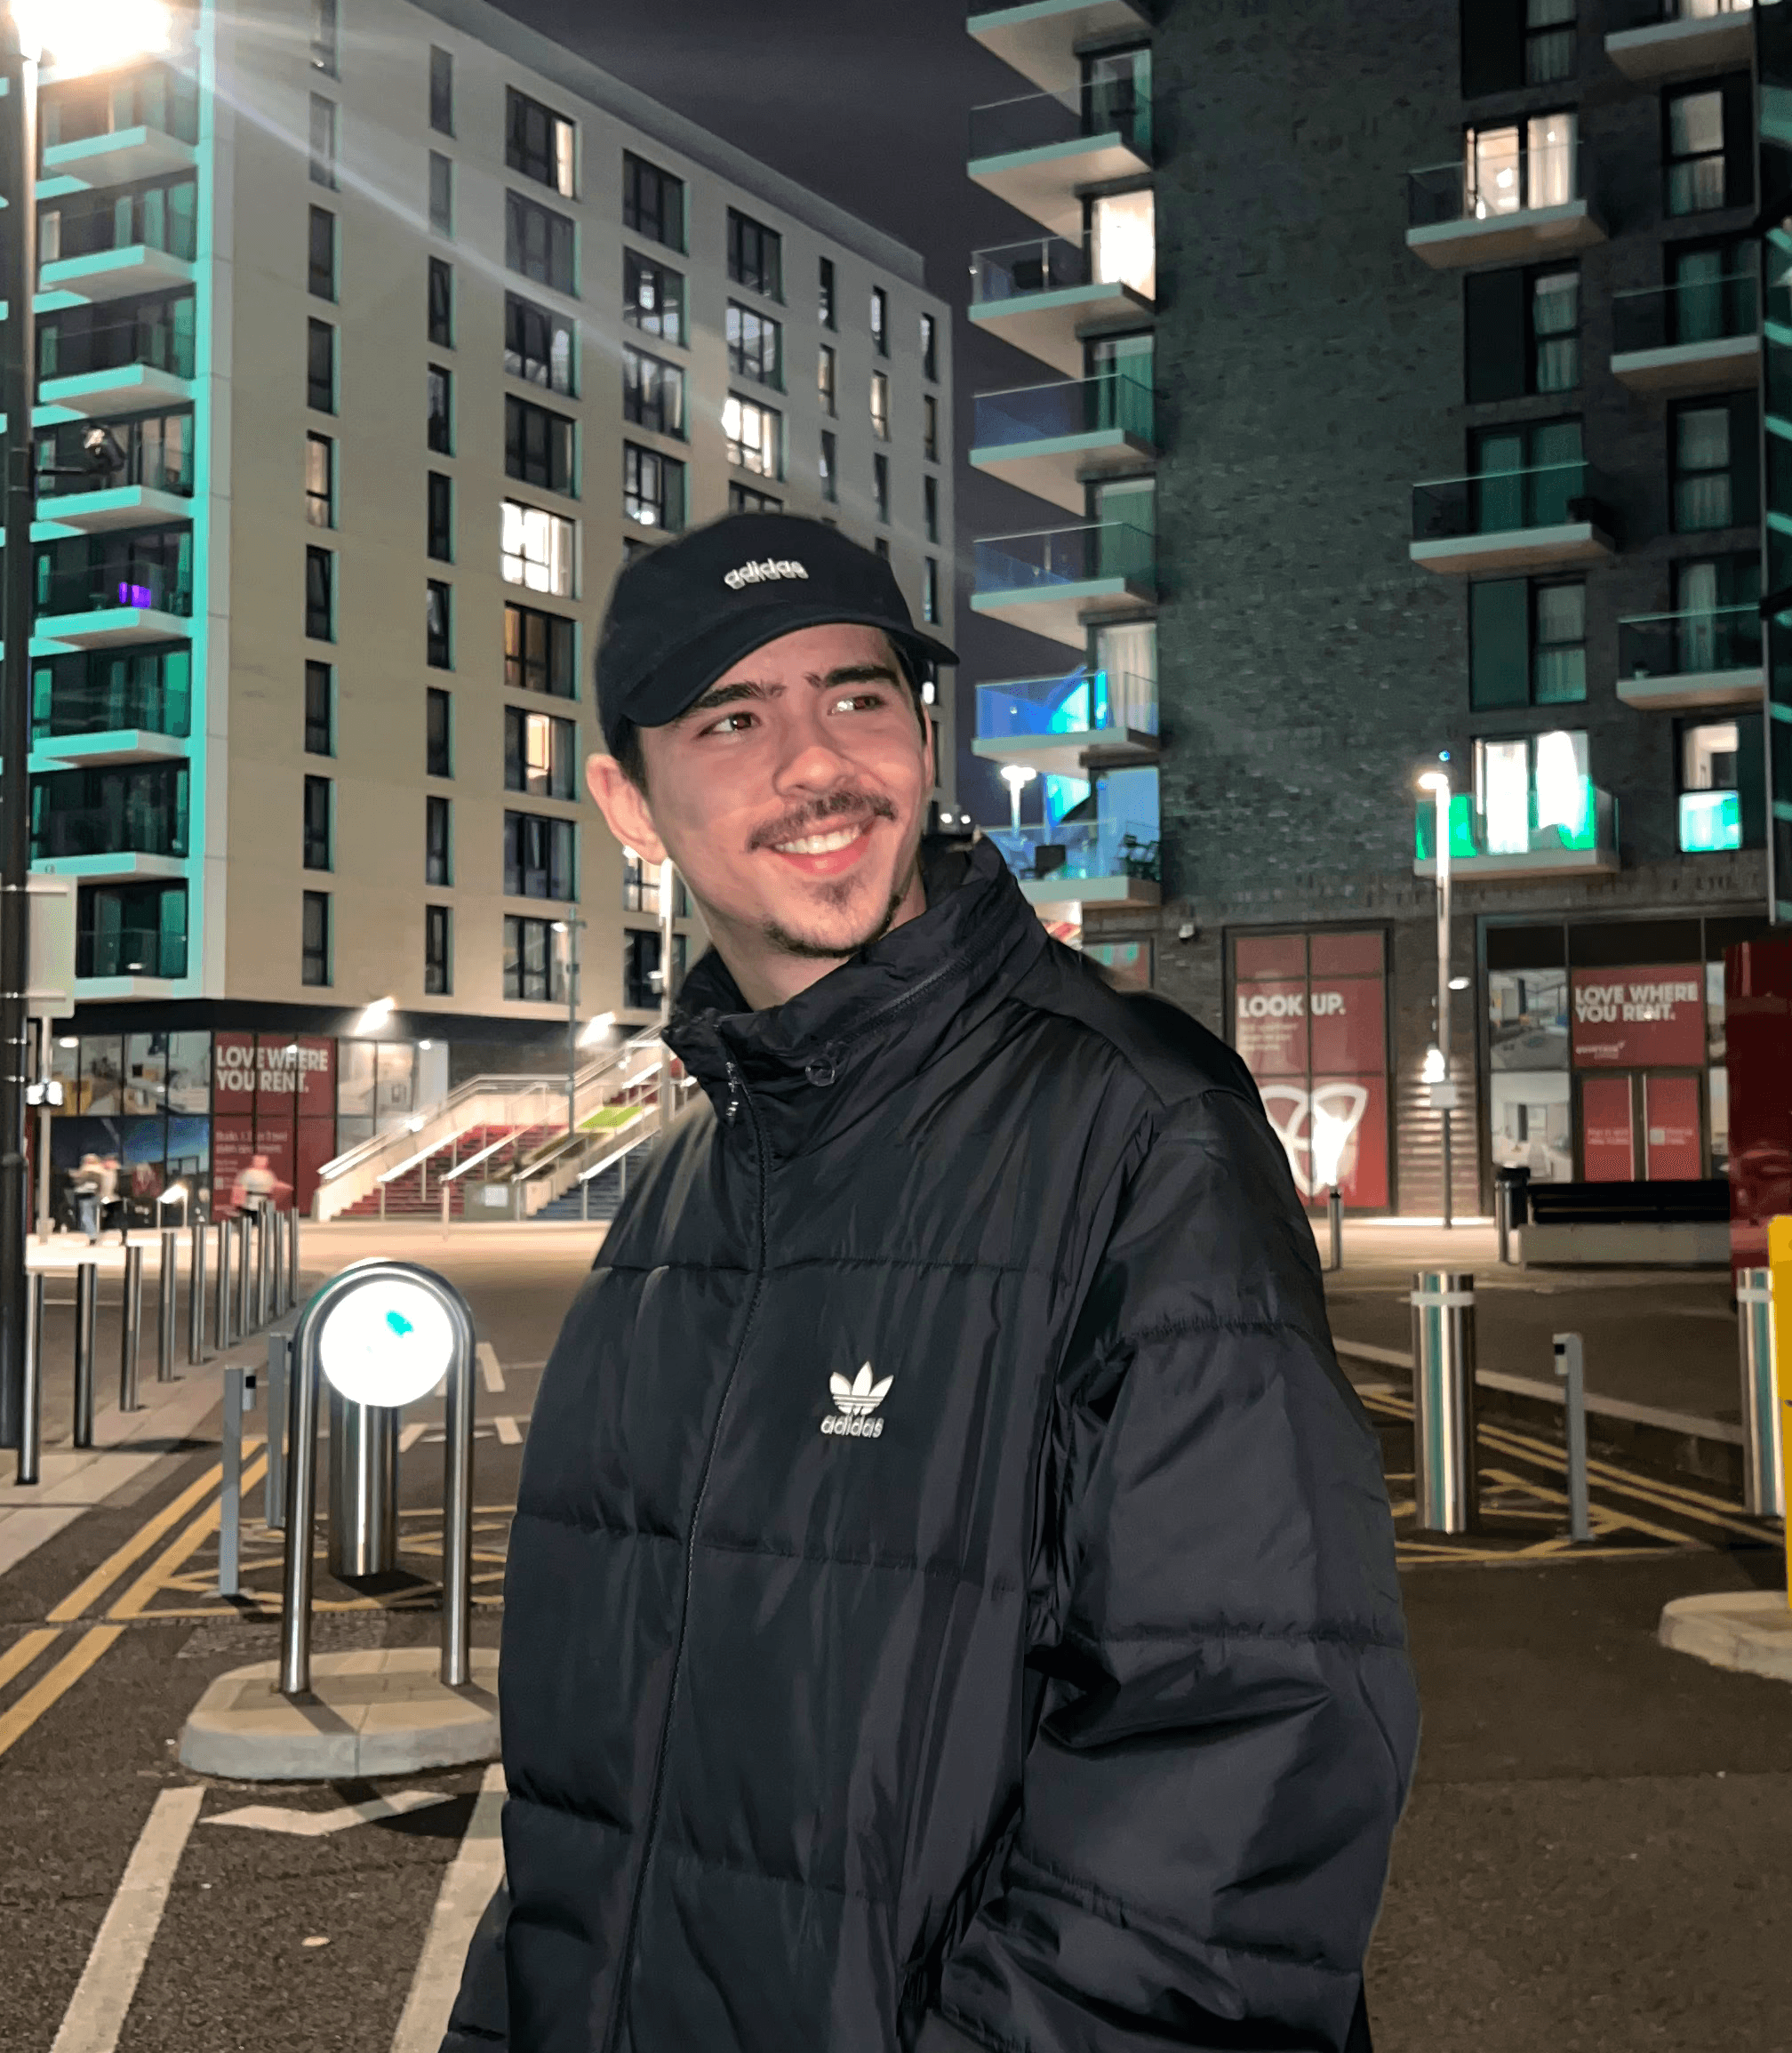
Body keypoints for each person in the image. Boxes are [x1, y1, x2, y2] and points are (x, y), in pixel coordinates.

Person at [444, 515, 1419, 2053]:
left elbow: (1244, 1770)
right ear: (630, 801)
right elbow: (582, 1806)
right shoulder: (676, 1201)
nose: (817, 761)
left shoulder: (1139, 1128)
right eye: (733, 718)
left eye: (858, 694)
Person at [69, 1154, 103, 1245]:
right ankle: (93, 1234)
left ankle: (92, 1235)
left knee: (86, 1216)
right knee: (92, 1216)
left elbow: (79, 1182)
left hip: (86, 1196)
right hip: (94, 1196)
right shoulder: (100, 1170)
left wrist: (76, 1176)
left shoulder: (87, 1170)